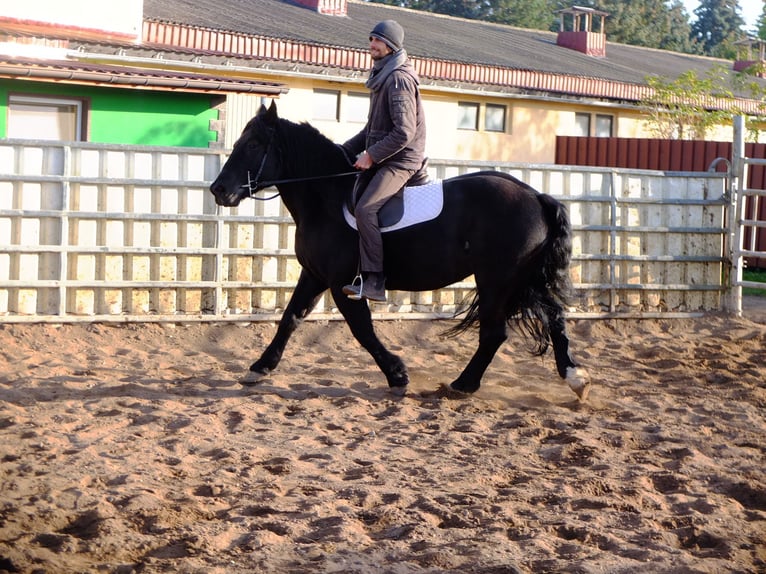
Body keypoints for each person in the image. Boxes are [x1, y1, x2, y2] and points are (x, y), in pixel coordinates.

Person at [341, 19, 427, 303]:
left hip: (400, 160)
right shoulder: (382, 77)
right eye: (370, 39)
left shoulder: (398, 79)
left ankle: (375, 281)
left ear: (391, 46)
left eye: (377, 41)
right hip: (387, 156)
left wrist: (372, 155)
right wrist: (342, 151)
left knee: (366, 209)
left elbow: (404, 132)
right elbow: (371, 130)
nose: (371, 45)